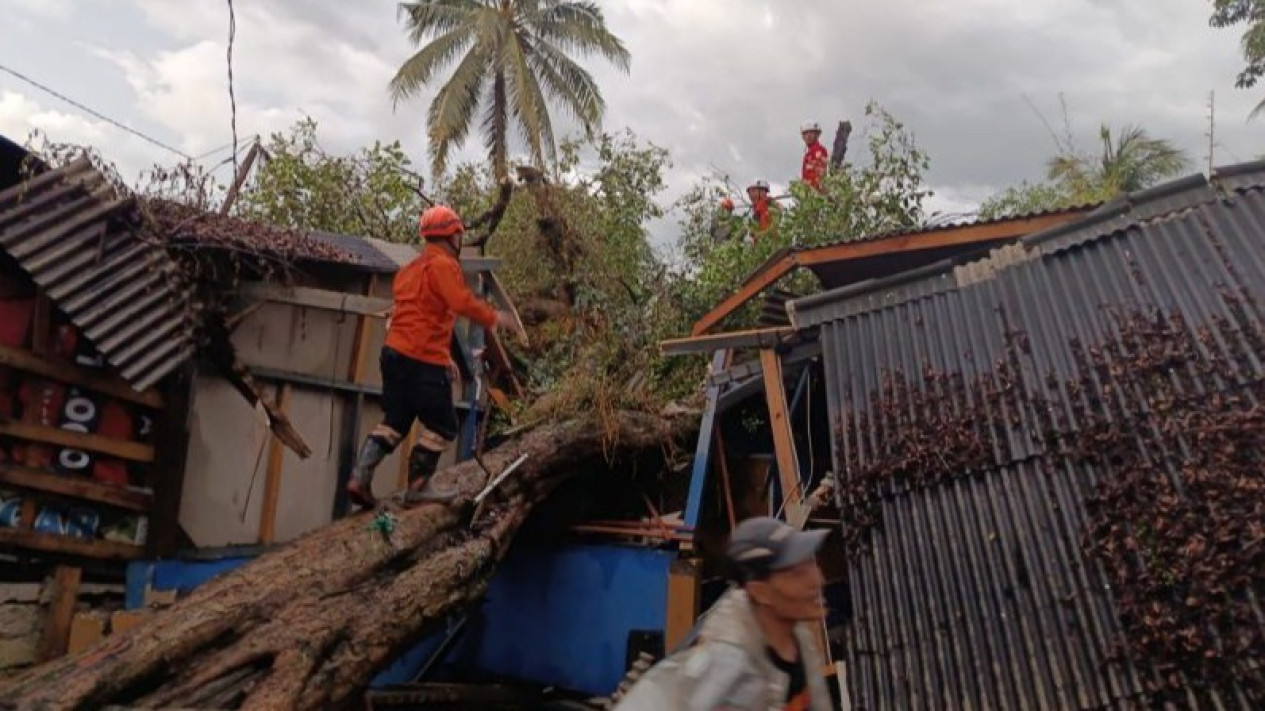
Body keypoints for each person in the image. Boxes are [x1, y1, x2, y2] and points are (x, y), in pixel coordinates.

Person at [345, 204, 514, 508]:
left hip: (395, 353)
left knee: (395, 420)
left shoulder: (410, 270)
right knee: (443, 424)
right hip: (421, 358)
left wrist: (444, 356)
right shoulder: (444, 266)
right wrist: (494, 317)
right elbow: (459, 301)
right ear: (452, 236)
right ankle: (419, 485)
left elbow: (417, 315)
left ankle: (360, 477)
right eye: (459, 235)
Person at [614, 516, 834, 710]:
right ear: (761, 592)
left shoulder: (797, 638)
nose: (817, 581)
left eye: (810, 565)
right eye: (797, 574)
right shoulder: (729, 672)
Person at [799, 121, 829, 191]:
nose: (808, 136)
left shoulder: (819, 150)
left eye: (811, 133)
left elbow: (820, 173)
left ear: (817, 135)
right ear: (803, 136)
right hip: (809, 191)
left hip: (816, 191)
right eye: (806, 133)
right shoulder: (808, 154)